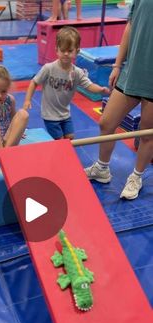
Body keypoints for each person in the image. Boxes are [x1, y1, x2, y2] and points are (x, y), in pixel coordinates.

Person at [84, 0, 153, 200]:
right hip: (133, 72)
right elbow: (130, 26)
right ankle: (102, 168)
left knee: (147, 134)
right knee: (107, 123)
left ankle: (136, 177)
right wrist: (117, 65)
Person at [23, 27, 109, 141]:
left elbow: (89, 85)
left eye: (69, 50)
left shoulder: (77, 72)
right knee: (60, 140)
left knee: (70, 138)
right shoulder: (49, 68)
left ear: (77, 51)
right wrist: (28, 100)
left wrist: (101, 89)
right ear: (57, 50)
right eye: (62, 50)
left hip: (65, 114)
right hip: (50, 115)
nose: (66, 54)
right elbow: (34, 82)